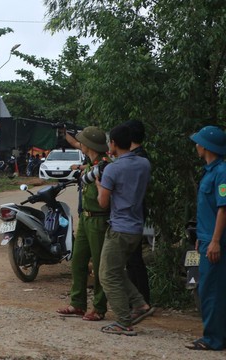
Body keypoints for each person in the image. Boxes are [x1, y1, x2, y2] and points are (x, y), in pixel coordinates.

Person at [96, 124, 152, 336]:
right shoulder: (144, 164)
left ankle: (123, 320)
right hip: (137, 227)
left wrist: (99, 185)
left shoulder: (113, 169)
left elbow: (103, 203)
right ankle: (140, 304)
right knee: (117, 270)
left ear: (113, 144)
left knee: (107, 275)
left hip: (119, 228)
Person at [56, 126, 110, 321]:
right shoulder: (91, 164)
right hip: (86, 218)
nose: (80, 146)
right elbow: (76, 143)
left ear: (89, 146)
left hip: (99, 219)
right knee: (78, 261)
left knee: (98, 265)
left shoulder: (104, 166)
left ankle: (99, 307)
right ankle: (77, 303)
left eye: (83, 143)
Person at [185, 125, 226, 351]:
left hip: (216, 242)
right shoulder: (210, 171)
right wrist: (203, 236)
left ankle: (213, 339)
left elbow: (223, 209)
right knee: (209, 289)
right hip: (207, 238)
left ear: (207, 146)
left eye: (199, 143)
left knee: (211, 290)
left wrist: (215, 240)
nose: (197, 146)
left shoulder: (222, 173)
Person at [123, 120, 152, 313]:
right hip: (137, 212)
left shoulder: (137, 159)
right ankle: (140, 299)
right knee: (133, 259)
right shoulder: (142, 157)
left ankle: (140, 301)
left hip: (132, 213)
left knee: (133, 259)